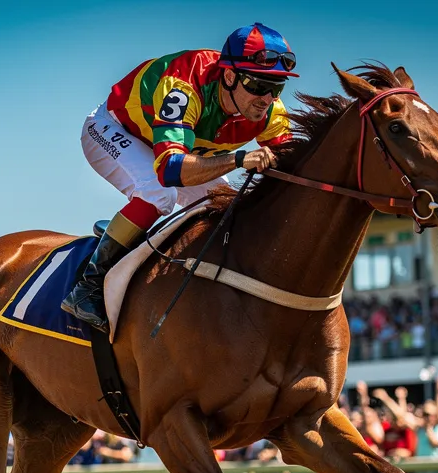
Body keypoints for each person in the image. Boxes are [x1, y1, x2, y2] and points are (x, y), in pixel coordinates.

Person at [62, 23, 295, 331]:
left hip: (169, 152)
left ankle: (132, 240)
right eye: (257, 85)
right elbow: (170, 170)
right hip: (112, 129)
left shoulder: (268, 111)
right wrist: (239, 159)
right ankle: (88, 287)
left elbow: (295, 168)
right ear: (229, 75)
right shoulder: (185, 83)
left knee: (225, 208)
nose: (266, 99)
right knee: (160, 193)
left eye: (276, 87)